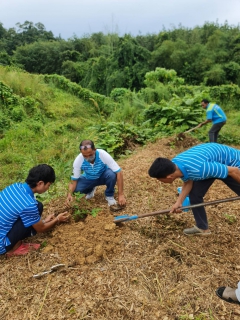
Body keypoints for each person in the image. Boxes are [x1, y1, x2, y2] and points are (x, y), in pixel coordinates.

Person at [148, 143, 240, 235]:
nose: (159, 181)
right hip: (211, 161)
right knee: (195, 194)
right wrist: (179, 202)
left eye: (159, 179)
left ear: (169, 177)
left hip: (233, 164)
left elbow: (234, 171)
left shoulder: (200, 169)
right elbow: (188, 182)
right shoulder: (176, 166)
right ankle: (202, 228)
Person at [0, 164, 70, 256]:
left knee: (38, 206)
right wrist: (57, 219)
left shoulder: (15, 186)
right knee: (36, 207)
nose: (48, 188)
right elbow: (41, 229)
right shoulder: (29, 204)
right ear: (40, 183)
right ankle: (12, 248)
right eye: (48, 185)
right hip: (1, 244)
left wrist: (43, 221)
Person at [66, 140, 126, 208]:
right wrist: (69, 194)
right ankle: (90, 189)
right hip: (89, 178)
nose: (88, 158)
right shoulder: (78, 160)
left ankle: (109, 195)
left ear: (95, 149)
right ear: (81, 153)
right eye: (85, 156)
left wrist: (121, 194)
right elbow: (73, 180)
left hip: (103, 176)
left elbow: (119, 172)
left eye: (90, 154)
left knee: (112, 174)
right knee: (76, 189)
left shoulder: (102, 154)